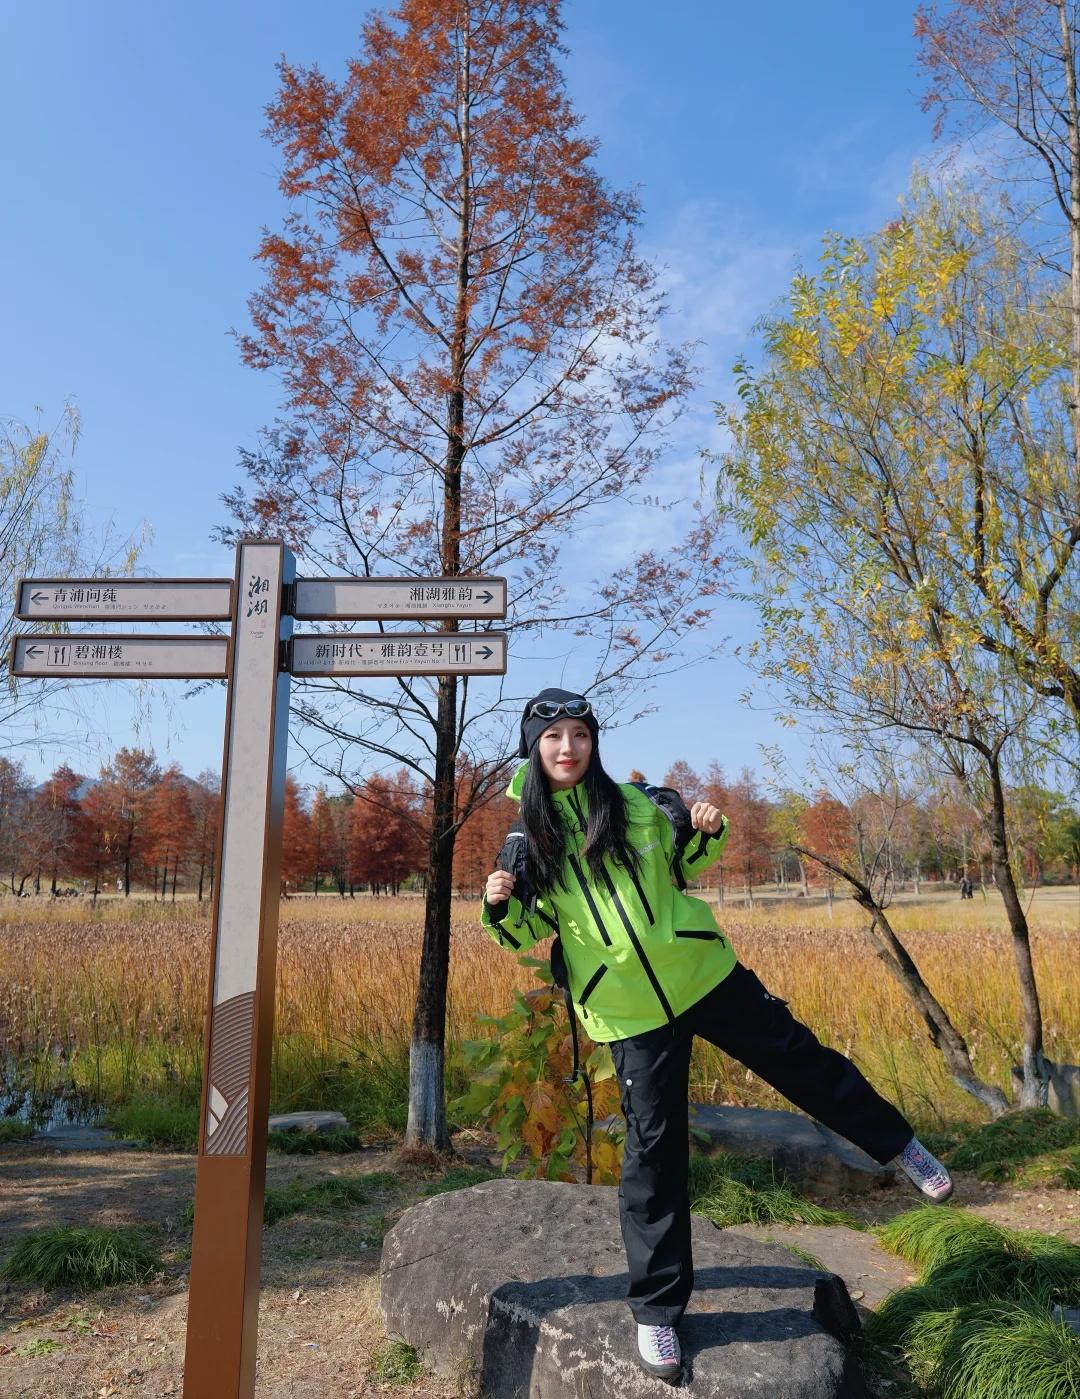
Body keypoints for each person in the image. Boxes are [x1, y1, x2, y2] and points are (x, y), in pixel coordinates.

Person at [480, 688, 953, 1384]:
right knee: (654, 1150)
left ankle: (898, 1144)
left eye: (579, 734)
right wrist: (498, 904)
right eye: (553, 737)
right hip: (629, 1010)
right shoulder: (527, 842)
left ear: (593, 741)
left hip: (703, 972)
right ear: (534, 747)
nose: (567, 748)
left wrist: (704, 825)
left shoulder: (639, 805)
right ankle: (657, 1313)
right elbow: (523, 931)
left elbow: (688, 863)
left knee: (799, 1058)